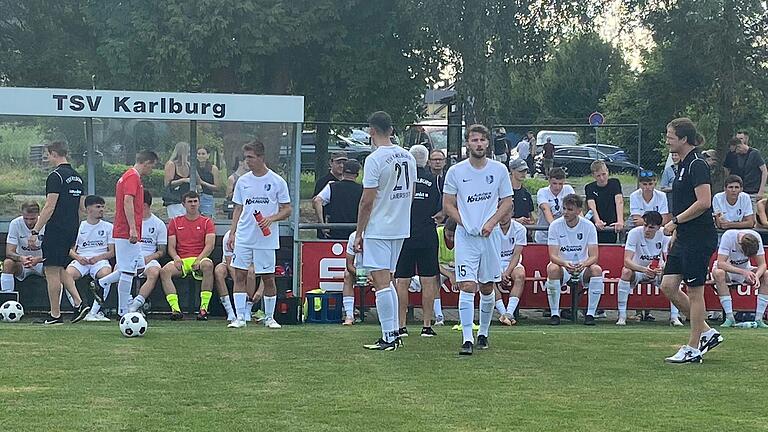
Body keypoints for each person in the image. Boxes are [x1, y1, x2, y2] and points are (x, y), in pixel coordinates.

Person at [443, 123, 513, 355]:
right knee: (467, 285)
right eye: (474, 140)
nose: (479, 144)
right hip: (466, 238)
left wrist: (491, 223)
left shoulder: (499, 169)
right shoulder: (456, 171)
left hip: (490, 237)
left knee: (486, 286)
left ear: (488, 143)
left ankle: (483, 332)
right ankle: (466, 338)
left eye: (482, 140)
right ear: (467, 144)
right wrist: (464, 222)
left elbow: (507, 202)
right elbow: (447, 204)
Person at [660, 117, 722, 364]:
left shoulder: (697, 164)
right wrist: (677, 231)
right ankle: (707, 332)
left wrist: (675, 222)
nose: (667, 139)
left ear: (684, 139)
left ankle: (693, 348)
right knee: (667, 286)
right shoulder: (681, 165)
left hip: (699, 238)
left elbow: (704, 202)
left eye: (670, 135)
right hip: (684, 237)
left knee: (695, 292)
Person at [355, 111, 416, 351]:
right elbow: (409, 193)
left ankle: (389, 336)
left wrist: (359, 231)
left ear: (371, 131)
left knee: (381, 283)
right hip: (400, 226)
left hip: (379, 226)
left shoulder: (374, 159)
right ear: (391, 130)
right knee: (387, 280)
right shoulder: (408, 156)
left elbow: (366, 200)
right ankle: (394, 332)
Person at [227, 140, 292, 329]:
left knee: (268, 277)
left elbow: (287, 209)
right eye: (246, 157)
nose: (247, 161)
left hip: (266, 238)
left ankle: (270, 317)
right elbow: (238, 208)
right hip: (244, 236)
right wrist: (233, 232)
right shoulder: (243, 181)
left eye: (251, 157)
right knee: (239, 275)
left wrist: (271, 218)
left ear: (261, 157)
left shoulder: (277, 181)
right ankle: (240, 317)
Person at [90, 150, 158, 322]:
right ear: (147, 162)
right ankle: (123, 312)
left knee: (137, 267)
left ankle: (103, 282)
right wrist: (133, 229)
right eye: (153, 166)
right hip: (126, 232)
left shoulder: (129, 176)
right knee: (128, 272)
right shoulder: (132, 177)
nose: (152, 170)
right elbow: (127, 201)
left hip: (126, 231)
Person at [28, 141, 90, 324]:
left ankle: (55, 314)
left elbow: (49, 206)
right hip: (71, 227)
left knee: (51, 270)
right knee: (61, 267)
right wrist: (75, 229)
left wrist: (35, 230)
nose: (46, 158)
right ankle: (79, 302)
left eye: (47, 154)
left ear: (54, 153)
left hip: (56, 228)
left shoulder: (55, 176)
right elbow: (81, 207)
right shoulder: (77, 177)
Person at [394, 145, 442, 338]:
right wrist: (439, 216)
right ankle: (427, 326)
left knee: (402, 281)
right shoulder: (436, 180)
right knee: (428, 281)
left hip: (404, 234)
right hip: (427, 234)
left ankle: (401, 326)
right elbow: (445, 206)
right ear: (427, 160)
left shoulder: (403, 180)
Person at [545, 194, 603, 326]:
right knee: (552, 268)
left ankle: (590, 314)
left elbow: (594, 256)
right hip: (563, 266)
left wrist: (583, 264)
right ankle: (555, 314)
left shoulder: (588, 226)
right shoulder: (555, 225)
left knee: (596, 270)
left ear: (578, 211)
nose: (565, 212)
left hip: (582, 266)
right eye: (564, 208)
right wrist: (565, 263)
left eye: (570, 209)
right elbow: (553, 256)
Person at [160, 191, 216, 320]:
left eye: (195, 201)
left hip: (200, 258)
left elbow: (210, 245)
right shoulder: (175, 222)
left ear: (199, 203)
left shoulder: (207, 222)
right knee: (164, 271)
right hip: (182, 260)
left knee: (208, 265)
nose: (193, 204)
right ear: (183, 204)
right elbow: (171, 247)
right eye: (190, 202)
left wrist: (199, 259)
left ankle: (203, 309)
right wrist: (176, 258)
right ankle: (175, 309)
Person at [616, 211, 679, 326]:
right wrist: (644, 270)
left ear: (658, 227)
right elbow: (627, 261)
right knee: (625, 272)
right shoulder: (634, 233)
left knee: (674, 276)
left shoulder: (664, 234)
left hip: (657, 271)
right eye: (645, 225)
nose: (646, 230)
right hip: (638, 270)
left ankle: (675, 317)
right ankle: (622, 316)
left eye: (651, 227)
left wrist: (662, 268)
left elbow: (668, 258)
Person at [67, 195, 114, 322]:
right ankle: (79, 308)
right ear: (88, 210)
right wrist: (78, 257)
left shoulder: (108, 227)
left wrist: (98, 257)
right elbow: (70, 249)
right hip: (81, 260)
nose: (101, 210)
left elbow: (112, 252)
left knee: (105, 275)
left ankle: (96, 311)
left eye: (102, 207)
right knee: (67, 275)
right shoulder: (79, 227)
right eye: (98, 207)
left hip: (99, 260)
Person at [710, 229, 768, 328]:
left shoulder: (756, 237)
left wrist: (757, 276)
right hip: (728, 270)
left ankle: (759, 319)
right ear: (740, 245)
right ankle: (729, 317)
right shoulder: (728, 236)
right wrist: (743, 272)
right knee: (718, 273)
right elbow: (721, 263)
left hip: (746, 270)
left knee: (766, 274)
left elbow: (762, 264)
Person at [125, 191, 169, 315]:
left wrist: (148, 258)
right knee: (119, 268)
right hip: (130, 257)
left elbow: (161, 251)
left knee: (155, 271)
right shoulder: (129, 221)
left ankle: (136, 304)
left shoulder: (158, 224)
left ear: (143, 205)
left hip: (149, 259)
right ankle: (127, 302)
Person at [213, 229, 258, 323]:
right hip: (230, 265)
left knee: (251, 271)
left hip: (250, 265)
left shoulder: (255, 236)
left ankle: (247, 309)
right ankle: (229, 311)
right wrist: (239, 282)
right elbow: (229, 264)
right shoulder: (228, 236)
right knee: (219, 271)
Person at [312, 159, 363, 239]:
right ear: (357, 174)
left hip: (335, 232)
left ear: (343, 172)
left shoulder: (331, 186)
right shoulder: (362, 190)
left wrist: (322, 225)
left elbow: (317, 201)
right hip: (355, 233)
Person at [1, 202, 46, 293]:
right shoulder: (15, 224)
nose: (29, 222)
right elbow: (9, 252)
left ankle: (56, 305)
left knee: (55, 267)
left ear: (38, 214)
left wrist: (38, 259)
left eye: (33, 219)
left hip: (42, 263)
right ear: (22, 214)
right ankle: (7, 298)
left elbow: (54, 252)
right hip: (22, 264)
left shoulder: (47, 224)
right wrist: (21, 258)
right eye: (26, 218)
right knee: (7, 263)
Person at [498, 204, 527, 325]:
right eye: (501, 213)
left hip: (511, 263)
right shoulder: (491, 228)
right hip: (494, 262)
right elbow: (489, 252)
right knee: (487, 278)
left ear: (512, 213)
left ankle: (509, 313)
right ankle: (503, 313)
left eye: (506, 213)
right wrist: (499, 272)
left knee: (520, 275)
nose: (503, 217)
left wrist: (507, 272)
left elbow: (516, 255)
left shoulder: (520, 229)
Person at [585, 160, 624, 244]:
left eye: (603, 174)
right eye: (598, 176)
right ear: (593, 176)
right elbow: (592, 206)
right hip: (597, 223)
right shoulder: (589, 187)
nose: (602, 178)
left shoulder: (615, 183)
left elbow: (619, 201)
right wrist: (597, 221)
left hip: (611, 222)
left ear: (607, 172)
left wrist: (620, 220)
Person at [535, 167, 575, 244]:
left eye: (561, 184)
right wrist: (556, 228)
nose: (557, 187)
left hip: (564, 236)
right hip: (544, 237)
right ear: (549, 181)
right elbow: (546, 210)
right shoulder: (542, 192)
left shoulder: (568, 189)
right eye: (554, 183)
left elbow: (575, 208)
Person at [724, 132, 766, 203]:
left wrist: (761, 190)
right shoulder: (735, 157)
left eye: (734, 151)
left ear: (739, 147)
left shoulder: (755, 154)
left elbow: (764, 171)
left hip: (753, 192)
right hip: (740, 192)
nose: (734, 153)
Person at [163, 141, 191, 218]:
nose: (189, 155)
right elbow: (168, 183)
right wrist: (183, 180)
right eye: (188, 152)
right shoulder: (171, 164)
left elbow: (197, 180)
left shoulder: (188, 165)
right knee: (177, 221)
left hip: (186, 199)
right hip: (174, 199)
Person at [196, 147, 220, 218]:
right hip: (194, 197)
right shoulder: (192, 167)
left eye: (203, 154)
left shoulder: (213, 168)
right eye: (199, 154)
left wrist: (202, 183)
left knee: (207, 219)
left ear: (208, 155)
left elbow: (217, 187)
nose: (201, 156)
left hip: (207, 198)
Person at [508, 159, 533, 225]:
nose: (523, 173)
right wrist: (516, 221)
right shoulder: (504, 193)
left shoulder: (526, 193)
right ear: (512, 170)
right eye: (520, 171)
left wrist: (530, 221)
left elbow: (531, 215)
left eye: (525, 171)